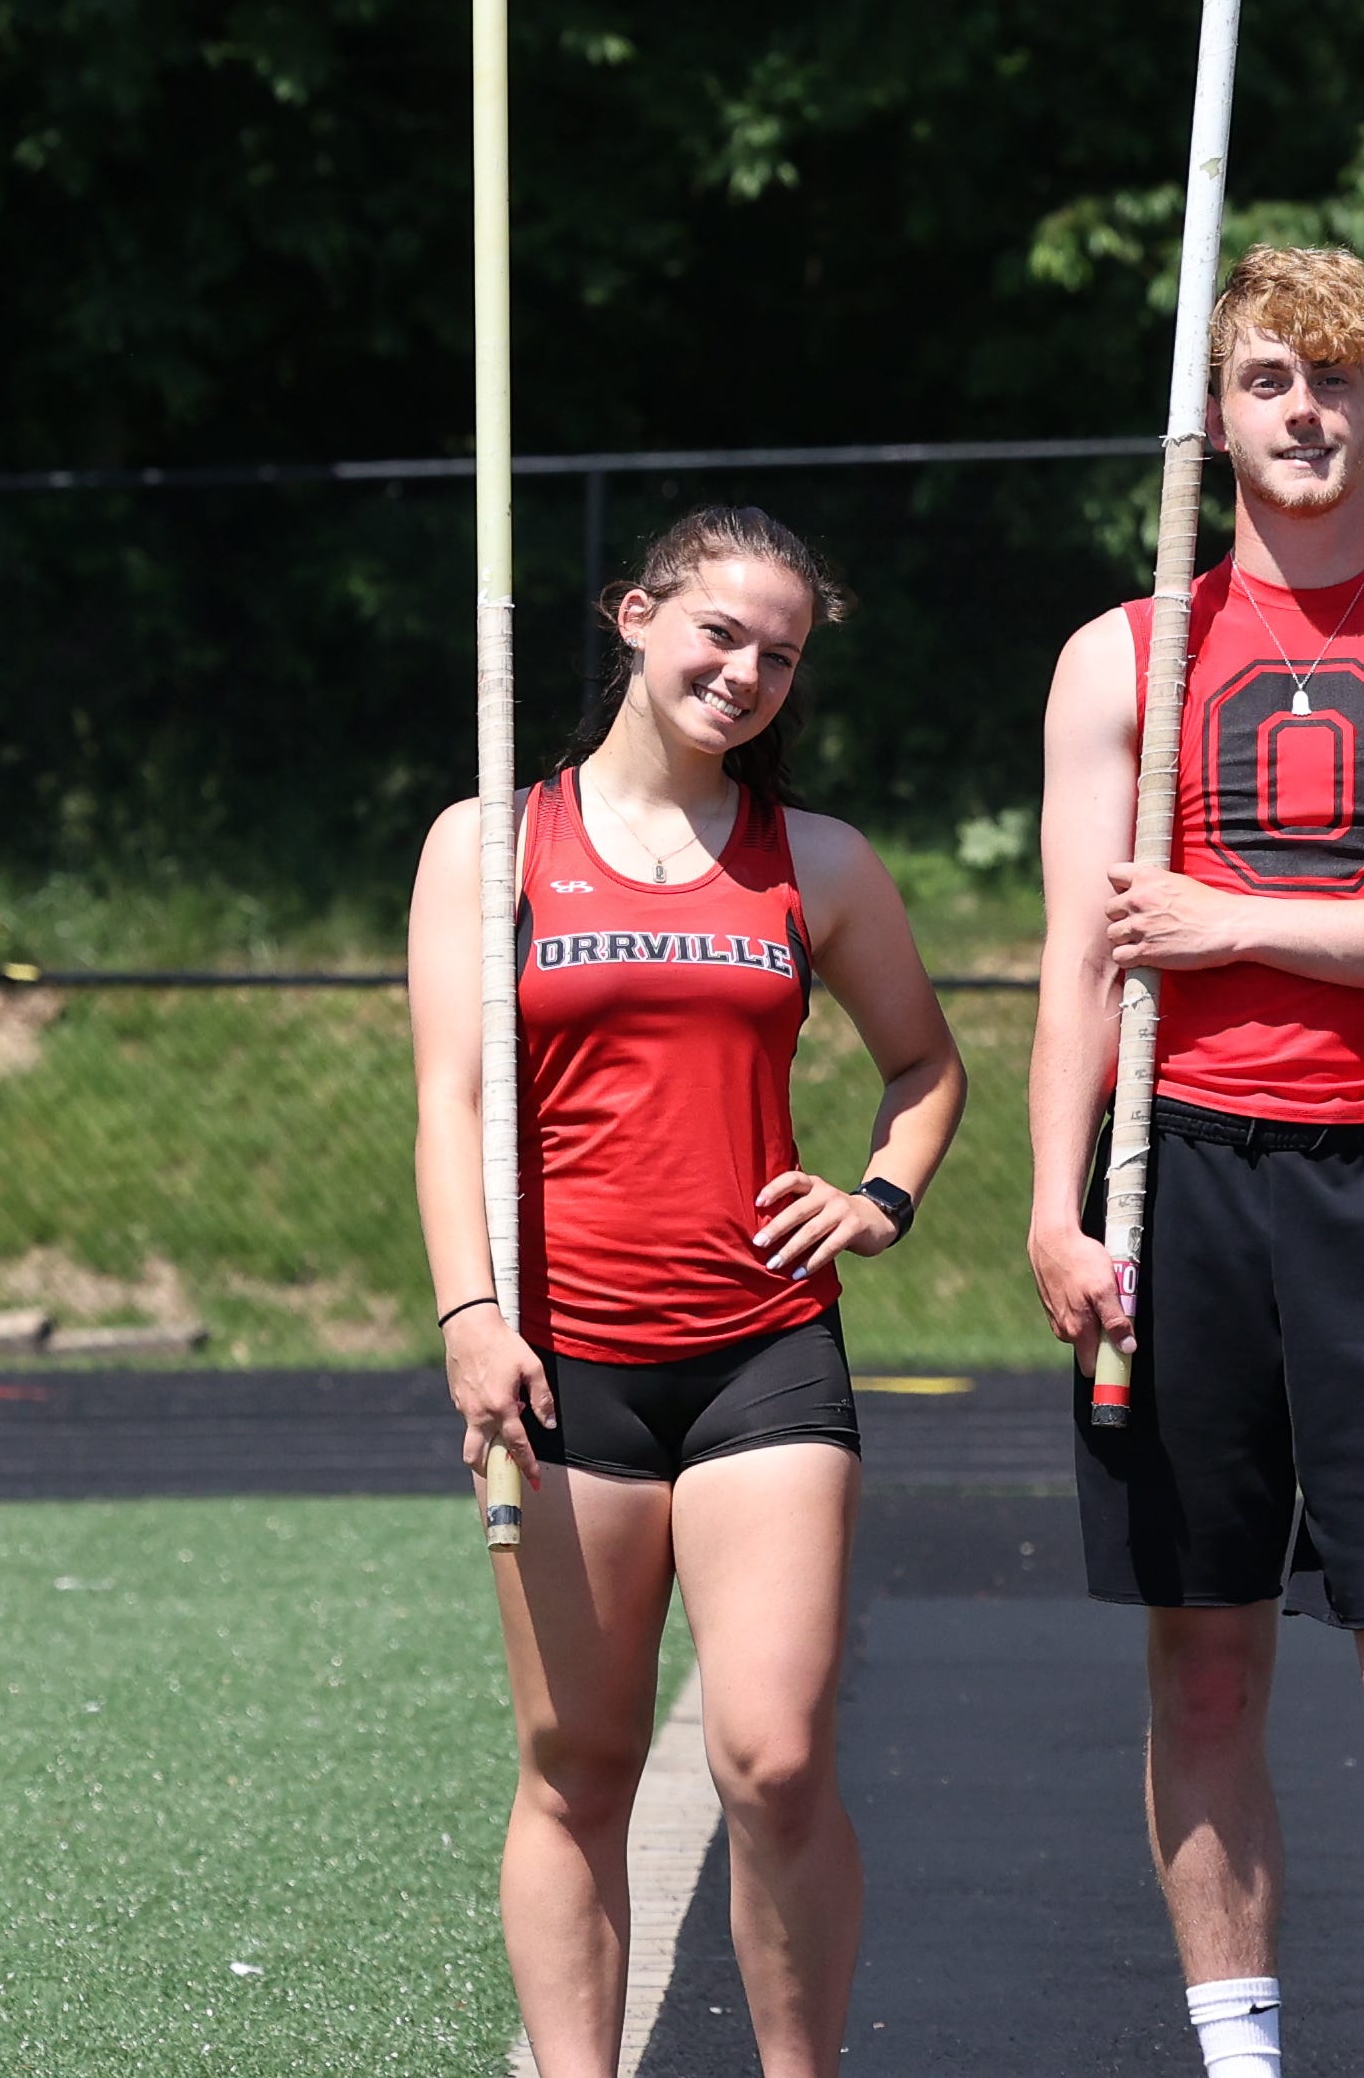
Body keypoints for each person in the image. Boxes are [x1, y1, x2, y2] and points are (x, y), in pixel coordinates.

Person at [1030, 244, 1364, 2078]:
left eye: (1337, 381)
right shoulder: (1125, 653)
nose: (1306, 411)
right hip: (1172, 1183)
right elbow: (1080, 955)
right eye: (1269, 379)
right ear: (1217, 416)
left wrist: (1236, 919)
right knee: (1203, 1664)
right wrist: (1052, 1203)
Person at [410, 501, 965, 2078]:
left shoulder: (819, 861)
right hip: (559, 1360)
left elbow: (924, 1067)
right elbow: (450, 1102)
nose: (744, 674)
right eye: (720, 633)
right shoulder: (488, 845)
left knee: (774, 1761)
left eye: (778, 656)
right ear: (635, 615)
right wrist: (468, 1320)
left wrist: (876, 1200)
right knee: (575, 1768)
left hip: (760, 1354)